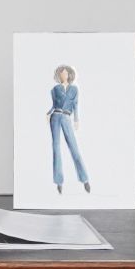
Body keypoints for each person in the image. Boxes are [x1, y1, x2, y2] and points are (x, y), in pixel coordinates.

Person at [48, 65, 90, 194]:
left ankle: (84, 179)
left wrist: (76, 120)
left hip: (67, 117)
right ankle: (59, 182)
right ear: (58, 75)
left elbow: (75, 105)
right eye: (61, 74)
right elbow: (54, 105)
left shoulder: (74, 89)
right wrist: (48, 113)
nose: (63, 75)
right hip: (55, 116)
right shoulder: (54, 89)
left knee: (74, 148)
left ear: (69, 75)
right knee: (56, 148)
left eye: (65, 73)